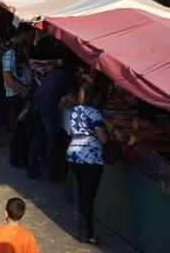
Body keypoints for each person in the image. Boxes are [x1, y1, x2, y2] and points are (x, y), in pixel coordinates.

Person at [67, 83, 111, 245]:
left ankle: (85, 230)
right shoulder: (95, 114)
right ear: (96, 98)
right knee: (88, 197)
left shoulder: (74, 112)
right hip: (91, 158)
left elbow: (72, 132)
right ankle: (86, 233)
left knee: (83, 195)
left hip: (74, 155)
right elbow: (103, 139)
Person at [27, 55, 77, 181]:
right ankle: (51, 174)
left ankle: (31, 170)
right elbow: (77, 96)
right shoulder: (67, 76)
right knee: (52, 140)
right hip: (48, 108)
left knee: (38, 137)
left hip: (37, 104)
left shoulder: (53, 73)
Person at [3, 24, 36, 168]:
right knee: (18, 127)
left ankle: (20, 156)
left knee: (22, 128)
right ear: (23, 33)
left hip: (22, 94)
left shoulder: (22, 51)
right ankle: (16, 158)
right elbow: (7, 77)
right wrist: (23, 92)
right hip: (17, 96)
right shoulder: (10, 52)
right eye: (31, 34)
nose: (32, 38)